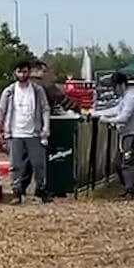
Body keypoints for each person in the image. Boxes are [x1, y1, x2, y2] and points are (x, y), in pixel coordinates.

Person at [17, 59, 82, 194]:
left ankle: (21, 187)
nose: (45, 73)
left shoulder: (19, 85)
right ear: (37, 70)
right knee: (42, 159)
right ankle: (42, 188)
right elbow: (64, 101)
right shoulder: (45, 85)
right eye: (44, 70)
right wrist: (78, 109)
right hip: (41, 127)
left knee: (25, 159)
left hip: (21, 127)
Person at [0, 59, 52, 204]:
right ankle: (17, 192)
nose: (22, 75)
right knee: (15, 165)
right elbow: (1, 111)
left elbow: (45, 108)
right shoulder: (9, 91)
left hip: (34, 132)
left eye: (25, 71)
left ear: (29, 72)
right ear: (15, 72)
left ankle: (41, 189)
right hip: (14, 133)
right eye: (19, 71)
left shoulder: (38, 91)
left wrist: (46, 126)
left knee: (38, 163)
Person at [104, 72, 134, 200]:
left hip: (133, 134)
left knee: (128, 163)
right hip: (125, 135)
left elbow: (124, 117)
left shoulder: (131, 98)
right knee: (117, 163)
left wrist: (108, 120)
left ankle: (130, 191)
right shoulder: (123, 98)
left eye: (115, 87)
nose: (114, 90)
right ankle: (126, 187)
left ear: (122, 85)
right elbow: (117, 113)